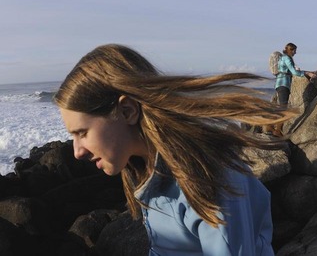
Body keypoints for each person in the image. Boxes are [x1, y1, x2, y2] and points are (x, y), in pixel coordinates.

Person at [54, 44, 298, 256]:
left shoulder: (207, 181)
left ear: (127, 111)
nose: (77, 151)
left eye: (82, 133)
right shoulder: (147, 168)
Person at [271, 43, 316, 136]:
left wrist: (306, 72)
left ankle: (276, 129)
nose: (295, 52)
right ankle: (277, 131)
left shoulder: (283, 58)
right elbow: (294, 72)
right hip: (283, 84)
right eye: (294, 50)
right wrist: (307, 73)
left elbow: (290, 70)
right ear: (290, 50)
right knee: (283, 108)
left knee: (282, 107)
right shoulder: (287, 58)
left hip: (280, 84)